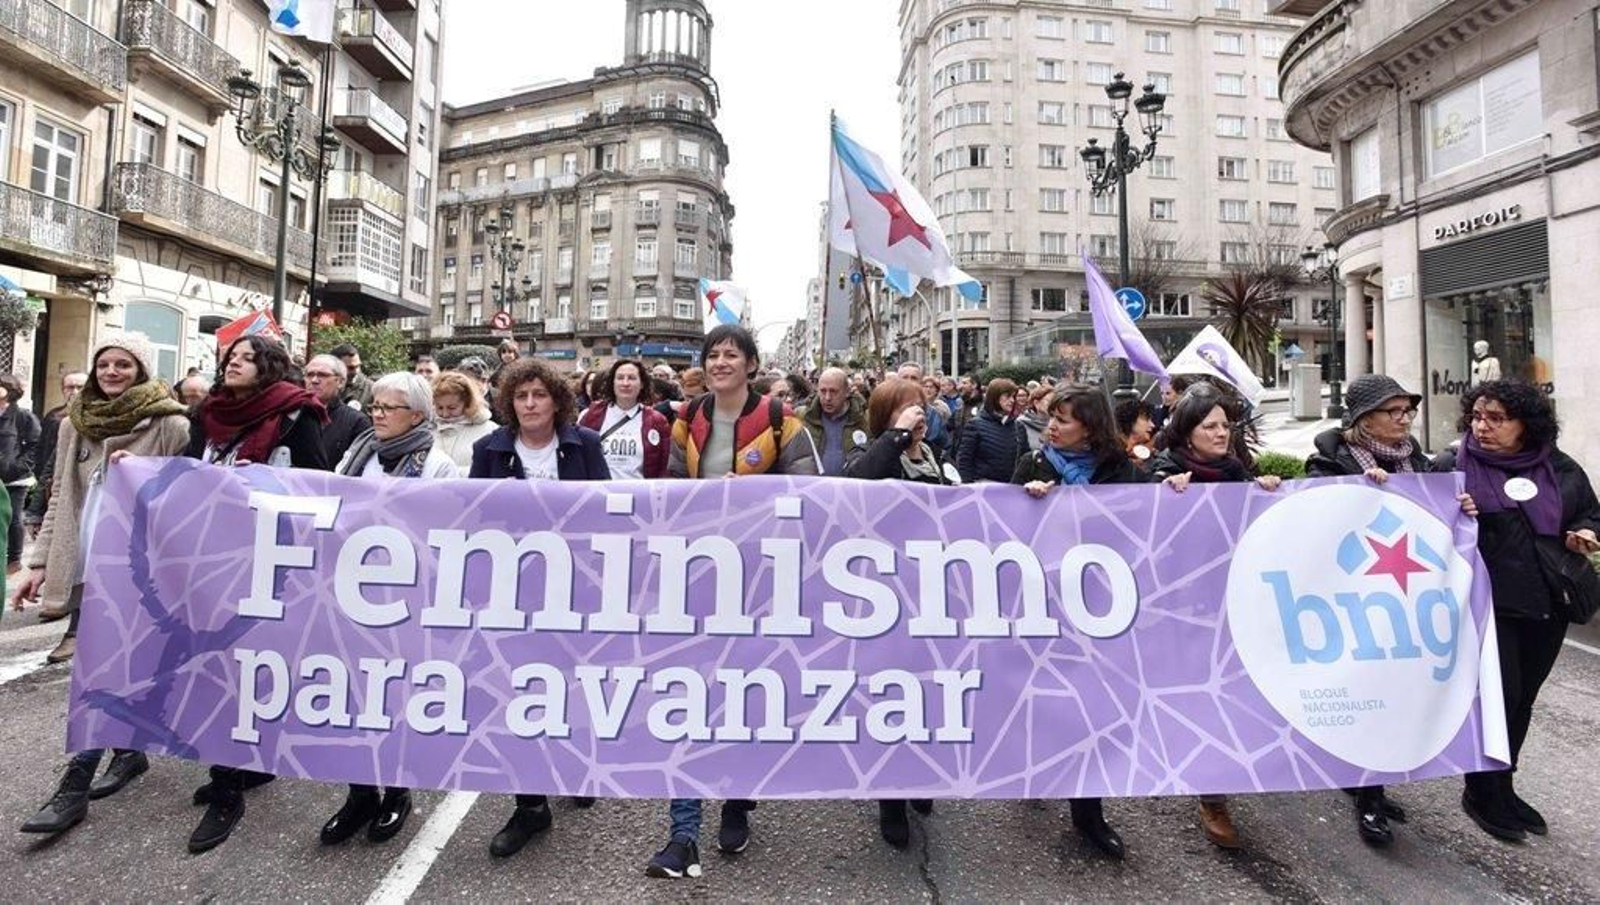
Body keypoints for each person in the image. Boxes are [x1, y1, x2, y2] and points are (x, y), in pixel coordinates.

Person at [648, 324, 818, 880]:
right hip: (698, 576)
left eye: (731, 355)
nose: (721, 362)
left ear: (750, 364)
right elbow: (671, 490)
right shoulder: (687, 419)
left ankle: (739, 800)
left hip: (762, 582)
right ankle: (683, 832)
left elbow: (809, 498)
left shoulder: (782, 423)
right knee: (692, 695)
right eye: (713, 354)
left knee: (749, 696)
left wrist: (750, 500)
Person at [14, 333, 190, 835]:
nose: (112, 372)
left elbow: (183, 501)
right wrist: (41, 563)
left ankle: (74, 785)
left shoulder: (170, 424)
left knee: (99, 671)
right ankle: (130, 752)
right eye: (105, 364)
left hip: (136, 573)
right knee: (110, 669)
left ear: (142, 370)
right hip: (84, 562)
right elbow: (58, 500)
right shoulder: (75, 423)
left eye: (124, 365)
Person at [1303, 374, 1481, 846]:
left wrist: (1459, 506)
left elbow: (1431, 520)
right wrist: (1356, 490)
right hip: (1351, 602)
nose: (1404, 420)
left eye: (1408, 411)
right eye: (1393, 411)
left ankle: (1371, 787)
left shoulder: (1418, 462)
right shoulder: (1328, 461)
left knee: (1395, 696)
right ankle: (1367, 797)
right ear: (1364, 419)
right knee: (1367, 697)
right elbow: (1310, 522)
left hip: (1403, 604)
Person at [1434, 380, 1599, 842]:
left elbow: (1589, 512)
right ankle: (1480, 792)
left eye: (1496, 419)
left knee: (1523, 700)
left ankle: (1504, 786)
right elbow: (1420, 519)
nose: (1482, 427)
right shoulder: (1453, 465)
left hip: (1547, 605)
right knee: (1498, 699)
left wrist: (1583, 532)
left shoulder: (1559, 467)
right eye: (1477, 418)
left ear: (1527, 425)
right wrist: (1456, 511)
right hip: (1487, 606)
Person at [186, 335, 330, 855]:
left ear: (268, 368)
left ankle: (229, 788)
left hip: (268, 558)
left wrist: (265, 482)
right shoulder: (208, 413)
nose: (234, 364)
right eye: (230, 358)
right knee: (215, 665)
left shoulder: (296, 413)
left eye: (246, 358)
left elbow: (318, 485)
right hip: (212, 553)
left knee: (247, 667)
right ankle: (237, 769)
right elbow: (187, 471)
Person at [469, 358, 609, 857]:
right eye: (521, 396)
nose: (530, 404)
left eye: (539, 395)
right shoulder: (487, 450)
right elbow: (470, 520)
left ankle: (576, 763)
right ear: (509, 402)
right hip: (514, 596)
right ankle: (530, 806)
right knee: (519, 693)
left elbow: (609, 516)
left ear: (556, 401)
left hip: (577, 593)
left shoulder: (585, 446)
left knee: (573, 685)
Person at [318, 373, 457, 848]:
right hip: (350, 594)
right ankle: (360, 792)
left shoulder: (437, 466)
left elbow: (444, 533)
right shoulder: (357, 457)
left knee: (393, 698)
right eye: (374, 405)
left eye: (389, 407)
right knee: (353, 697)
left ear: (416, 416)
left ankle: (397, 789)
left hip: (403, 602)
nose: (377, 413)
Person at [1012, 386, 1143, 860]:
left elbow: (1150, 524)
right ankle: (1034, 768)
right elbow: (1004, 530)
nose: (1052, 427)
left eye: (1063, 420)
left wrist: (1175, 491)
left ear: (1089, 426)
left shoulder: (1122, 470)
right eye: (1051, 418)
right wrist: (1028, 502)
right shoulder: (1034, 465)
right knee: (1044, 697)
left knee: (1093, 706)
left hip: (1103, 605)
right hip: (1045, 603)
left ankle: (1089, 813)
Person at [1149, 384, 1282, 850]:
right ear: (1188, 430)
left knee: (1232, 692)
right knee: (1202, 695)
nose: (1221, 433)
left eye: (1226, 425)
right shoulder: (1163, 473)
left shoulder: (1237, 473)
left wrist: (1265, 492)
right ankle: (1212, 794)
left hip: (1234, 601)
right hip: (1183, 607)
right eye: (1211, 426)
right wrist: (1161, 496)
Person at [843, 376, 948, 847]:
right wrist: (897, 436)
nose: (917, 416)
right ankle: (890, 797)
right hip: (884, 598)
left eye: (921, 408)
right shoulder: (875, 456)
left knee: (929, 696)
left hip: (929, 596)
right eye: (906, 409)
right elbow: (857, 487)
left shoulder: (932, 460)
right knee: (892, 696)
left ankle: (922, 775)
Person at [578, 358, 670, 480]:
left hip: (639, 494)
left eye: (632, 378)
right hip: (598, 494)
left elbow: (663, 468)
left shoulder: (657, 421)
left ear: (642, 384)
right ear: (613, 382)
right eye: (620, 378)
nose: (625, 383)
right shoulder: (592, 414)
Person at [0, 374, 39, 576]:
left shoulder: (23, 416)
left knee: (14, 517)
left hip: (15, 479)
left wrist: (19, 466)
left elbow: (35, 446)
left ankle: (14, 557)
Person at [304, 354, 371, 468]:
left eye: (323, 375)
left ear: (340, 382)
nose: (314, 380)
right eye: (309, 375)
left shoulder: (357, 422)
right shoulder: (293, 414)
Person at [801, 367, 869, 477]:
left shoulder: (864, 419)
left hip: (852, 489)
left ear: (847, 392)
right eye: (823, 391)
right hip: (814, 488)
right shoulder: (803, 417)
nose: (827, 397)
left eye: (833, 391)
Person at [955, 378, 1021, 484]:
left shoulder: (1018, 427)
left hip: (1010, 490)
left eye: (1013, 397)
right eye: (1007, 396)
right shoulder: (975, 425)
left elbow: (1023, 461)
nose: (1012, 400)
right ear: (995, 397)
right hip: (982, 488)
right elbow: (965, 460)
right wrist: (968, 488)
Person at [432, 372, 497, 472]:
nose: (445, 414)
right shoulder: (427, 430)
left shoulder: (490, 431)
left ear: (467, 403)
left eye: (452, 408)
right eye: (439, 407)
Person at [1114, 400, 1157, 467]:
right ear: (1131, 420)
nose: (1152, 425)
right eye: (1146, 419)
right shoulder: (1112, 454)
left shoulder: (1150, 454)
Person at [331, 343, 374, 409]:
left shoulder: (370, 390)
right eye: (350, 368)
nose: (356, 371)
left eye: (358, 366)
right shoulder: (325, 387)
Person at [1015, 384, 1053, 453]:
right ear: (1036, 403)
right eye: (1049, 401)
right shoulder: (1021, 423)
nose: (1053, 405)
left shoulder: (1056, 423)